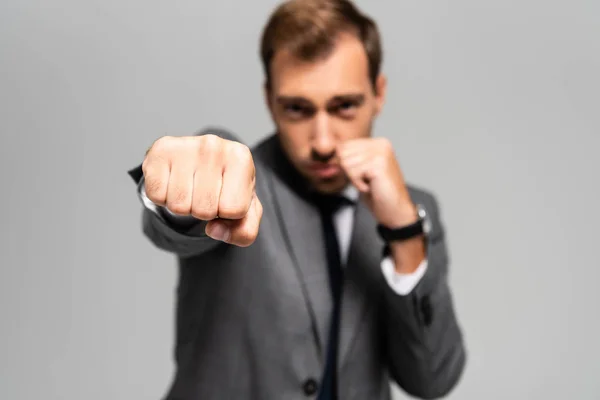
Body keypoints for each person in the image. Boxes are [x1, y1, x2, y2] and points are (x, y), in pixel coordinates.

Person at [128, 0, 466, 399]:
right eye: (297, 109)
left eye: (344, 106)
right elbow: (180, 218)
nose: (323, 142)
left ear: (378, 93)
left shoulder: (415, 210)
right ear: (269, 100)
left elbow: (433, 380)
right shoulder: (237, 175)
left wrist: (404, 232)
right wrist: (179, 189)